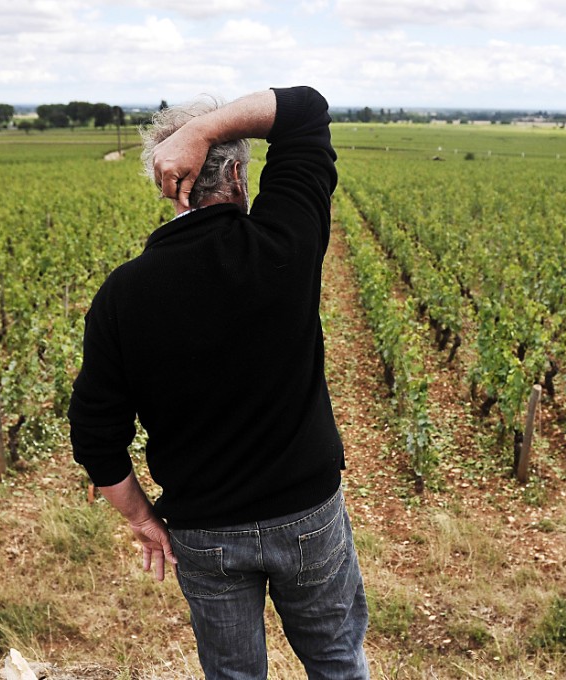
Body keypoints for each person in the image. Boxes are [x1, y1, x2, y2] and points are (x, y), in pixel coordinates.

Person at [68, 86, 369, 679]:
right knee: (337, 663)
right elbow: (304, 110)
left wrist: (141, 520)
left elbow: (94, 435)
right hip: (306, 515)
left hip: (203, 532)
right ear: (236, 174)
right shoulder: (286, 242)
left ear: (167, 183)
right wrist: (206, 131)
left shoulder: (123, 295)